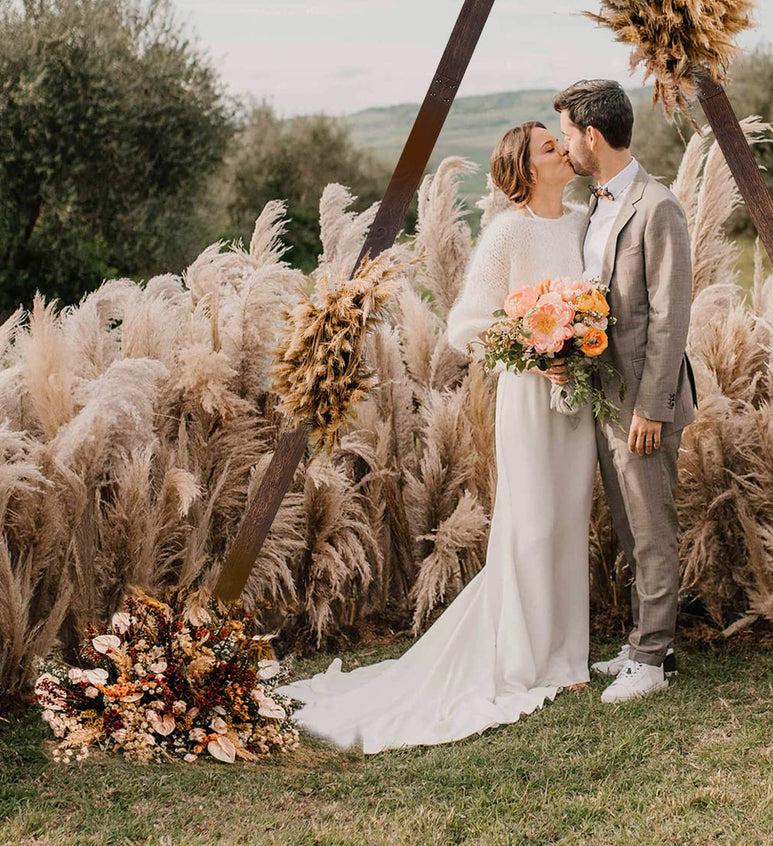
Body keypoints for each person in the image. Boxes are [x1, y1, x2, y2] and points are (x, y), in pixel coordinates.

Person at [277, 120, 598, 752]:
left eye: (560, 142)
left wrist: (581, 345)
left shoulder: (584, 221)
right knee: (531, 522)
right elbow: (465, 326)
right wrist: (534, 351)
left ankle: (567, 657)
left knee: (568, 519)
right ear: (528, 169)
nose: (564, 148)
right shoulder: (509, 232)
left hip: (577, 396)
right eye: (549, 146)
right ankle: (525, 661)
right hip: (530, 397)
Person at [552, 79, 697, 705]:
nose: (563, 147)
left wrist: (651, 408)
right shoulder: (596, 207)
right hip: (605, 397)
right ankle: (644, 641)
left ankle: (653, 658)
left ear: (591, 134)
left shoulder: (656, 205)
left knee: (652, 528)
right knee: (631, 529)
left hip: (644, 403)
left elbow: (670, 316)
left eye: (565, 133)